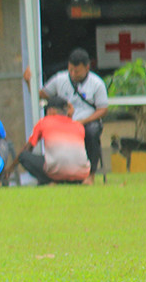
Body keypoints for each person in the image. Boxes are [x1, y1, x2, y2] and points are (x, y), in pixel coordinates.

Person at [33, 47, 109, 178]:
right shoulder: (59, 79)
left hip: (86, 122)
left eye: (77, 71)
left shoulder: (97, 84)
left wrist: (83, 121)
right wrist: (30, 82)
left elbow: (102, 109)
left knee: (92, 133)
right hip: (64, 123)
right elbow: (41, 95)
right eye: (71, 70)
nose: (73, 74)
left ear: (87, 67)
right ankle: (56, 173)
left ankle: (90, 175)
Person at [17, 95, 92, 186]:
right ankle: (75, 181)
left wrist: (10, 169)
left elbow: (28, 148)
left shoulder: (44, 122)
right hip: (81, 174)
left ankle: (49, 181)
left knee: (24, 156)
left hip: (56, 172)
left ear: (51, 110)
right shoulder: (78, 125)